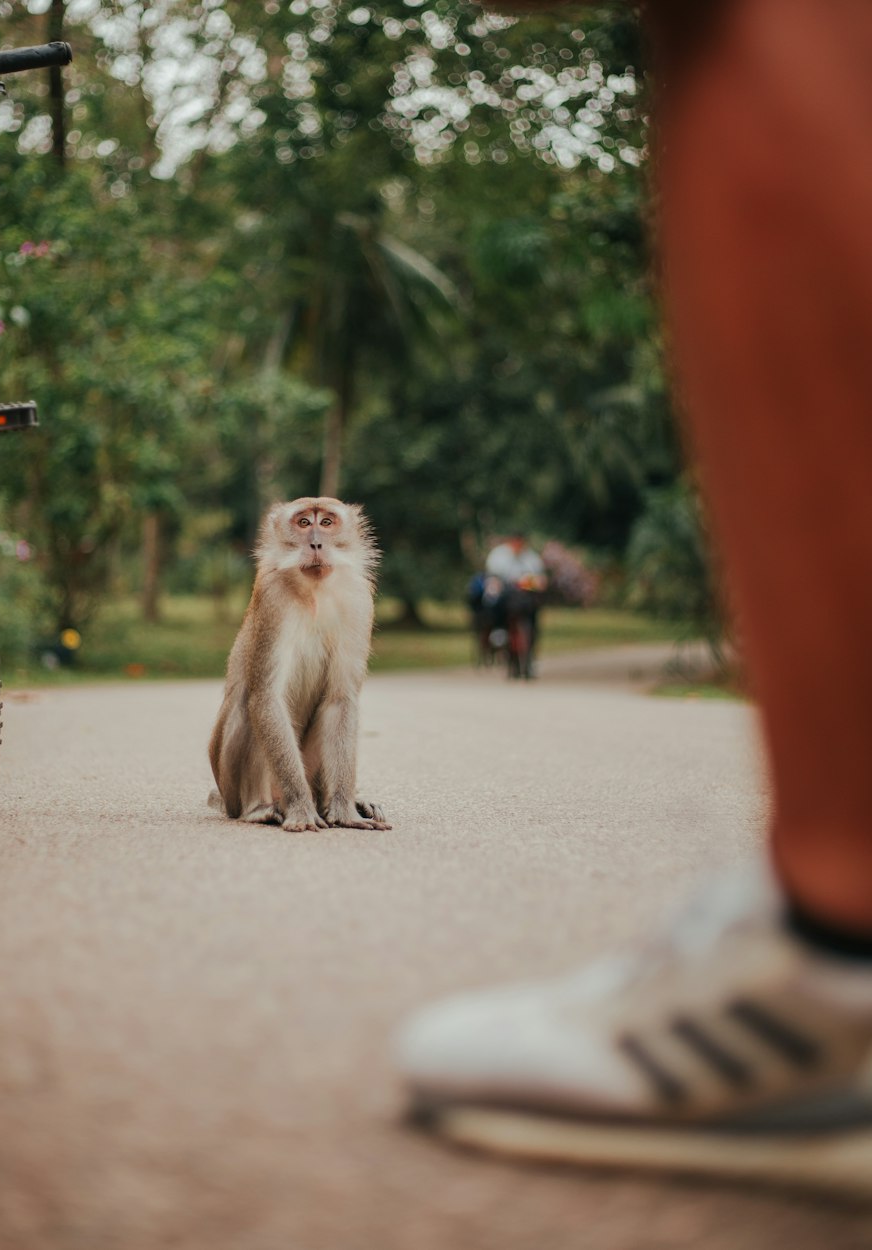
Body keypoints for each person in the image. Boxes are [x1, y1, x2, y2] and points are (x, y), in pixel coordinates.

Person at [395, 0, 872, 1190]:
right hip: (502, 614)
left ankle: (841, 947)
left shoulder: (525, 563)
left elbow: (529, 585)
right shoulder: (497, 562)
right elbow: (495, 586)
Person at [485, 533, 548, 678]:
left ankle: (530, 643)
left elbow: (540, 579)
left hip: (524, 595)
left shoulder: (531, 558)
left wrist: (537, 583)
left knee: (534, 610)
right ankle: (498, 630)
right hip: (506, 592)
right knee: (493, 600)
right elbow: (493, 576)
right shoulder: (498, 555)